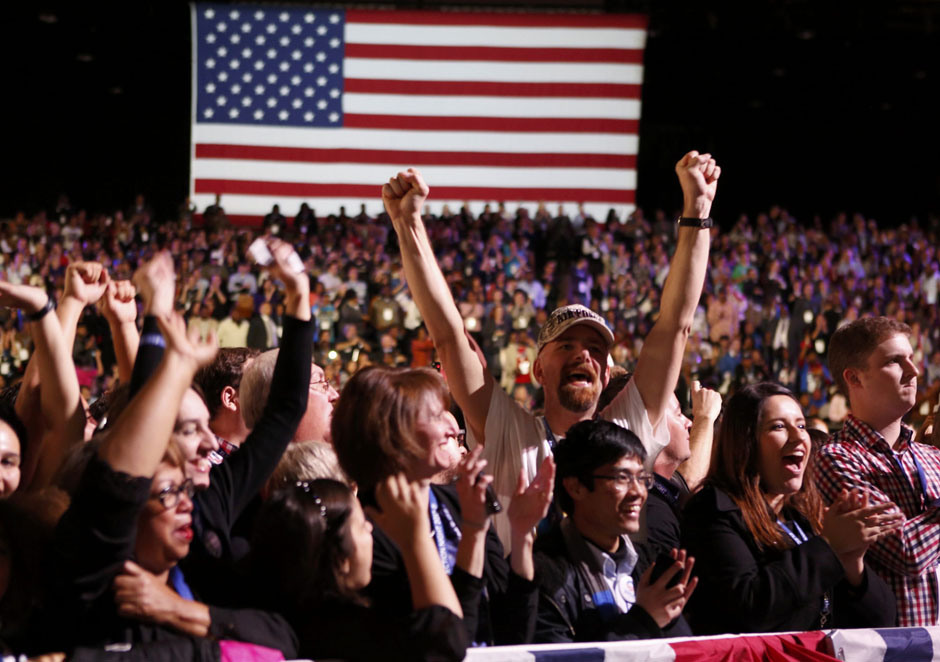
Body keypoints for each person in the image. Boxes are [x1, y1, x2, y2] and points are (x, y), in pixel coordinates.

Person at [384, 152, 719, 548]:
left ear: (607, 374)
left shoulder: (626, 430)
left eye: (596, 348)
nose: (583, 355)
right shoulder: (511, 434)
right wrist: (408, 225)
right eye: (567, 346)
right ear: (538, 369)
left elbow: (674, 325)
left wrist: (697, 212)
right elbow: (448, 334)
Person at [331, 365, 554, 646]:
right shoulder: (364, 529)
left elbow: (513, 632)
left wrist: (521, 537)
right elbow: (445, 644)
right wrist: (470, 533)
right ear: (391, 432)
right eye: (436, 415)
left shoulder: (461, 500)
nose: (453, 427)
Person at [683, 382, 900, 634]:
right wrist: (829, 547)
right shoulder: (711, 510)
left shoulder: (800, 515)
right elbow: (750, 609)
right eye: (778, 427)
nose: (798, 437)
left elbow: (882, 621)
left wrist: (853, 564)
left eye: (800, 425)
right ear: (745, 442)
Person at [249, 476, 468, 661]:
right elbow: (449, 639)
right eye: (363, 525)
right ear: (341, 559)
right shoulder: (353, 635)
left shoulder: (276, 620)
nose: (371, 529)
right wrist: (415, 538)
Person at [816, 317, 939, 626]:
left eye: (911, 359)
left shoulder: (932, 457)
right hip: (890, 650)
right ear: (855, 379)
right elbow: (906, 552)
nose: (914, 371)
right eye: (895, 362)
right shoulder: (837, 459)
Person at [534, 419, 696, 642]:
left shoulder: (649, 562)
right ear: (575, 487)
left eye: (641, 478)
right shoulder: (543, 575)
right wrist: (644, 619)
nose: (638, 492)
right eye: (622, 478)